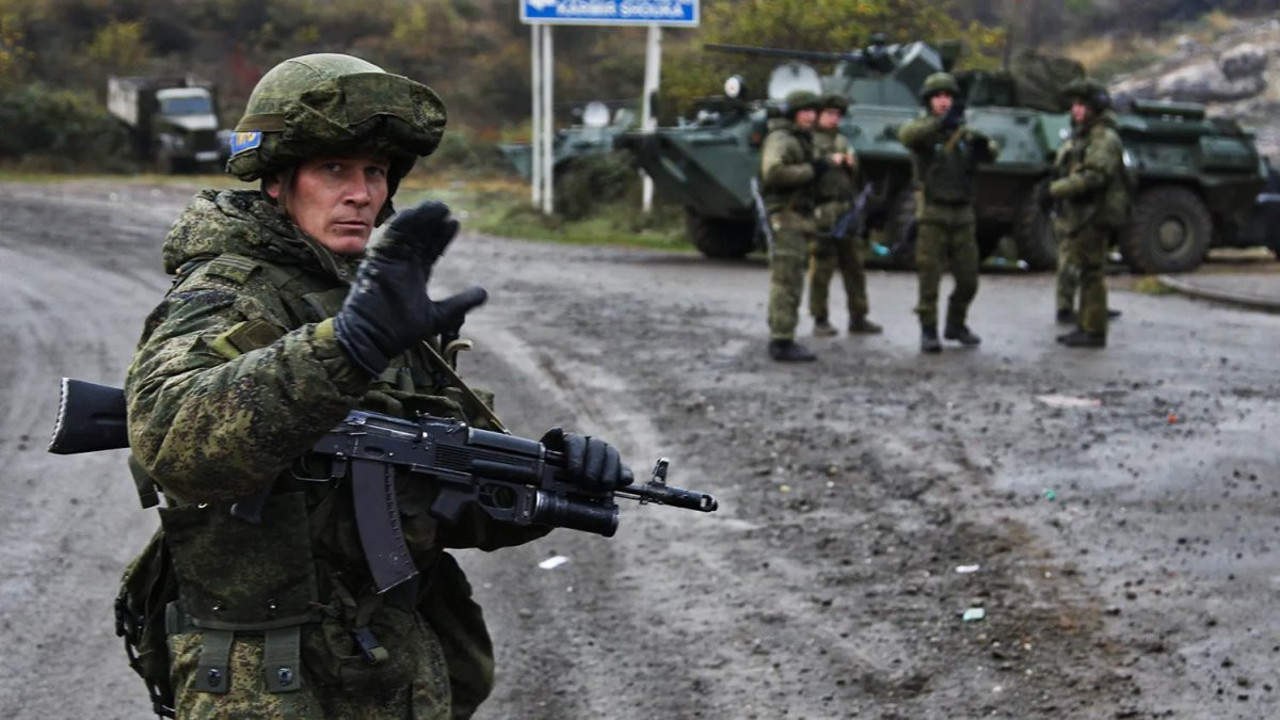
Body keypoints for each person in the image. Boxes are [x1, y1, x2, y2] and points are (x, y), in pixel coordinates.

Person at [122, 53, 629, 719]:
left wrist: (546, 479)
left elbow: (437, 497)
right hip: (263, 680)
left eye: (375, 171)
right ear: (278, 179)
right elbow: (171, 436)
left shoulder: (369, 301)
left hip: (386, 662)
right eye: (336, 169)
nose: (362, 193)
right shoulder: (227, 291)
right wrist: (348, 347)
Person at [898, 72, 997, 354]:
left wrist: (983, 148)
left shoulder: (963, 132)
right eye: (938, 97)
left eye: (948, 97)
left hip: (963, 213)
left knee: (968, 278)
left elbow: (991, 151)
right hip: (932, 212)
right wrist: (940, 124)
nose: (943, 101)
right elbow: (908, 136)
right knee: (929, 277)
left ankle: (956, 323)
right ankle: (928, 330)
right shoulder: (922, 128)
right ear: (929, 101)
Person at [1049, 77, 1129, 347]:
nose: (1076, 111)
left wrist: (1056, 189)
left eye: (1082, 105)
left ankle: (1094, 330)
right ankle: (1086, 325)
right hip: (1083, 213)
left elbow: (1095, 176)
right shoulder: (1084, 136)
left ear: (1094, 108)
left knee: (1092, 272)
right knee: (1086, 271)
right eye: (1074, 105)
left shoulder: (1103, 138)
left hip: (1096, 214)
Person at [759, 89, 829, 362]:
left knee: (791, 277)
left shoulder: (800, 140)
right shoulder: (781, 139)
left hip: (798, 217)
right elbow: (773, 172)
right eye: (805, 111)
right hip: (786, 216)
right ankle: (781, 339)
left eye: (814, 111)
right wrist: (812, 170)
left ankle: (781, 331)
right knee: (787, 279)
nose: (811, 117)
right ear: (793, 114)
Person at [808, 93, 882, 337]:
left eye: (837, 115)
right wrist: (827, 161)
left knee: (854, 266)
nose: (833, 119)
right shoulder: (810, 141)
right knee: (822, 267)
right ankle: (820, 318)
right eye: (829, 114)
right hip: (824, 209)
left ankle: (858, 316)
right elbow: (807, 170)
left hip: (847, 209)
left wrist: (851, 162)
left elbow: (857, 172)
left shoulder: (842, 139)